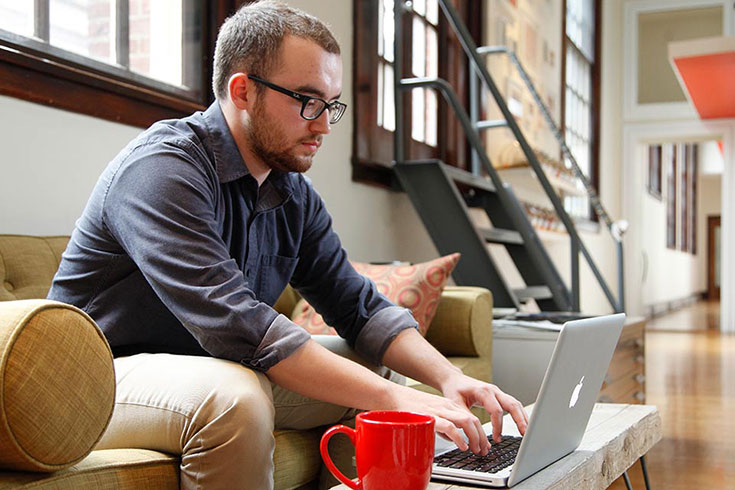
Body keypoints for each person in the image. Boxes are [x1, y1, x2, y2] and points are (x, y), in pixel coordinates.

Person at [48, 1, 528, 488]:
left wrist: (449, 377)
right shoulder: (163, 170)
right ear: (243, 91)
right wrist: (398, 401)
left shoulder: (291, 191)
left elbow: (356, 304)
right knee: (235, 396)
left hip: (203, 370)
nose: (322, 125)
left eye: (330, 105)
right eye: (307, 100)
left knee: (372, 369)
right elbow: (243, 326)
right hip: (90, 382)